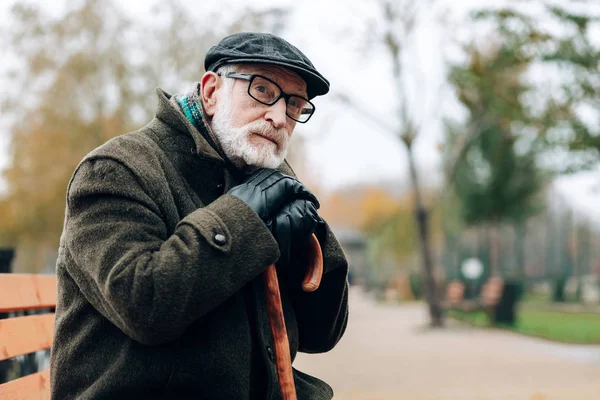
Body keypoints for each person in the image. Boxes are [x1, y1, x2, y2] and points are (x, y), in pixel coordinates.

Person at [50, 32, 349, 400]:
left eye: (294, 105)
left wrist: (307, 245)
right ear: (211, 93)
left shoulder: (262, 175)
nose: (278, 117)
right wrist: (241, 218)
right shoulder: (116, 169)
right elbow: (144, 305)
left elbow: (324, 334)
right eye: (263, 91)